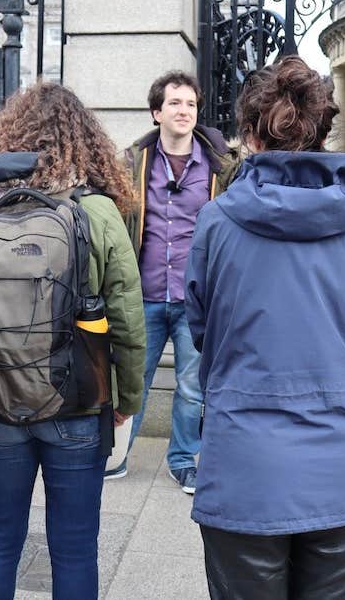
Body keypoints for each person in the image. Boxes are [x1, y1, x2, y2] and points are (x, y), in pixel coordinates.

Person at [185, 56, 345, 600]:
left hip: (246, 462)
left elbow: (202, 327)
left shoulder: (217, 222)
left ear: (249, 136)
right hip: (344, 456)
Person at [0, 82, 146, 600]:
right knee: (73, 548)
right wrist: (127, 399)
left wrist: (1, 348)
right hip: (77, 404)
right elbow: (128, 322)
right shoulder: (96, 211)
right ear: (86, 141)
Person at [112, 71, 241, 489]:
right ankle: (116, 454)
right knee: (133, 381)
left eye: (190, 104)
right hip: (143, 295)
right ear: (157, 112)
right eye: (174, 103)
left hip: (195, 299)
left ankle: (183, 459)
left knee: (191, 387)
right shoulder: (131, 164)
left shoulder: (223, 167)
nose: (183, 110)